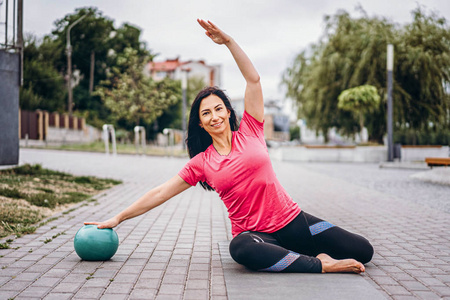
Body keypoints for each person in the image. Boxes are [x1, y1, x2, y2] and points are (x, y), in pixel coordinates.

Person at [86, 19, 373, 274]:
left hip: (293, 221)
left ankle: (298, 256)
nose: (214, 117)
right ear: (200, 123)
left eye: (218, 109)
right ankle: (319, 263)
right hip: (256, 236)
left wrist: (229, 43)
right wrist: (119, 217)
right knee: (241, 249)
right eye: (206, 113)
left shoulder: (251, 129)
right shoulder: (202, 163)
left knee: (363, 251)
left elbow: (253, 80)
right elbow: (161, 192)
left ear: (228, 111)